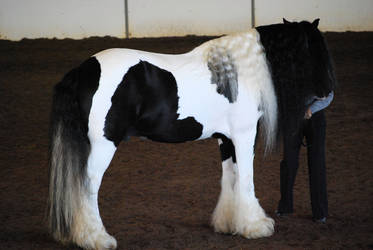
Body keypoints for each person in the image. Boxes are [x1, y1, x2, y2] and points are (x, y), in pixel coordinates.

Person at [276, 91, 334, 223]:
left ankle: (320, 212)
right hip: (293, 117)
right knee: (288, 163)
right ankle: (285, 207)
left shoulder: (319, 70)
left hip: (315, 118)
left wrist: (311, 109)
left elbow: (329, 94)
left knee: (317, 164)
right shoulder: (290, 71)